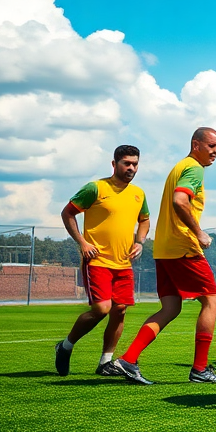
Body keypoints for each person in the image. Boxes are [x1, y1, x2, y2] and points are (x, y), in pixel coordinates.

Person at [109, 128, 216, 385]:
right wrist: (199, 232)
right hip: (182, 247)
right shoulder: (194, 168)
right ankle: (200, 369)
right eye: (211, 146)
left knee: (171, 307)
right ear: (196, 144)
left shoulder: (180, 166)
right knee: (212, 300)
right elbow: (180, 201)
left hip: (164, 249)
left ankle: (128, 360)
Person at [54, 145, 150, 377]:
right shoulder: (95, 188)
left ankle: (106, 362)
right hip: (97, 261)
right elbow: (67, 213)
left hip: (123, 264)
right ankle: (65, 346)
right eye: (126, 163)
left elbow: (144, 220)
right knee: (102, 308)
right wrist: (83, 243)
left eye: (135, 164)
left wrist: (140, 242)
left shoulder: (138, 193)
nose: (131, 168)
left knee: (120, 311)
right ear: (114, 164)